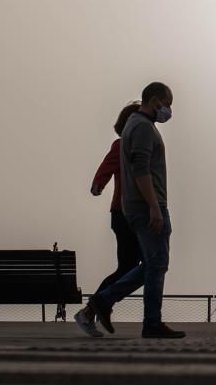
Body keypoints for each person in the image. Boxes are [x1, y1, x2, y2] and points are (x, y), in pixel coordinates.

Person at [88, 82, 185, 339]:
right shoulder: (142, 127)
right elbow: (141, 169)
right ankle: (149, 322)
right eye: (167, 103)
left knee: (153, 264)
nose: (168, 110)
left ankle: (105, 301)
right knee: (156, 263)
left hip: (137, 205)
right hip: (146, 206)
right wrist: (154, 207)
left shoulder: (136, 125)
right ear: (155, 101)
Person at [74, 102, 142, 338]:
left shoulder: (141, 147)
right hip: (123, 214)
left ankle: (97, 307)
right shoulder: (122, 145)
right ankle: (94, 307)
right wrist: (98, 185)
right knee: (131, 267)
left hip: (137, 214)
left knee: (134, 267)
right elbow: (107, 166)